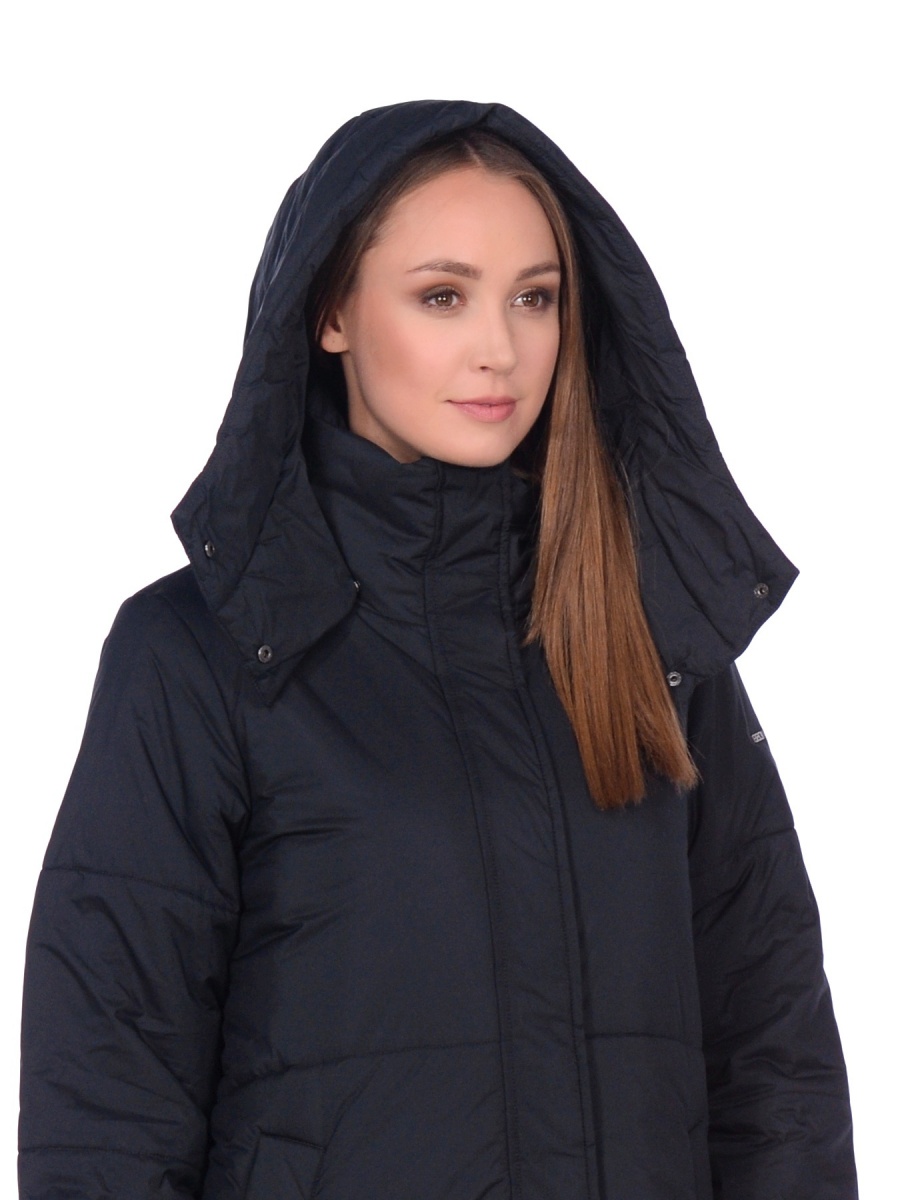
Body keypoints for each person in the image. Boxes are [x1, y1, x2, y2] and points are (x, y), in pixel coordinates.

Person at [18, 100, 857, 1200]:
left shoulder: (645, 641)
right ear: (331, 311)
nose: (500, 349)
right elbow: (108, 1095)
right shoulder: (206, 655)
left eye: (534, 298)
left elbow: (774, 1055)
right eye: (443, 296)